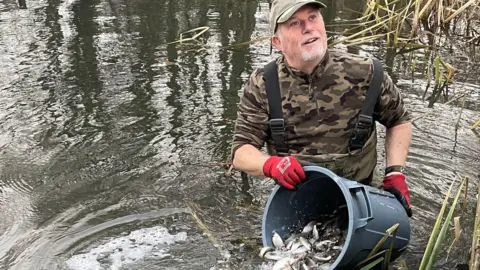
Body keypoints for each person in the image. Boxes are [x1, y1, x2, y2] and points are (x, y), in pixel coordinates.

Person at [230, 0, 413, 217]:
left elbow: (399, 120)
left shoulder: (366, 72)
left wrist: (395, 173)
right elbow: (241, 151)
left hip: (362, 195)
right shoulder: (263, 84)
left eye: (312, 17)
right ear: (277, 42)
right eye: (295, 23)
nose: (308, 28)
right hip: (296, 198)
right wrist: (271, 164)